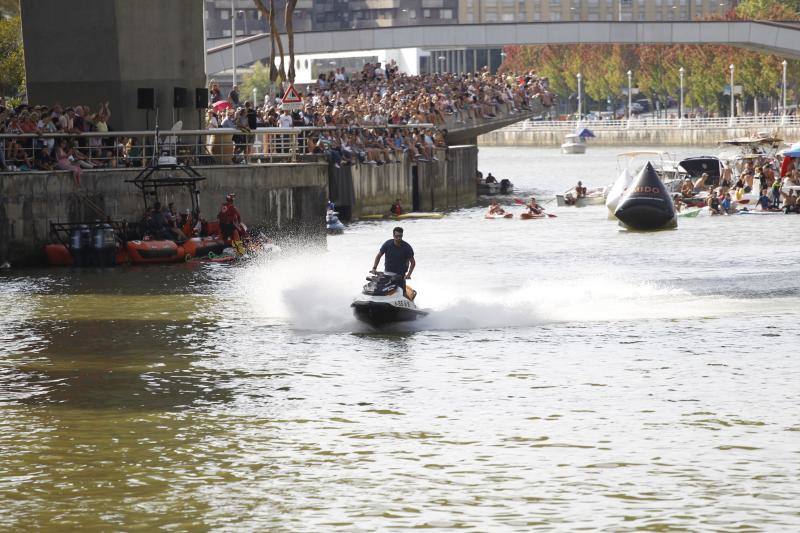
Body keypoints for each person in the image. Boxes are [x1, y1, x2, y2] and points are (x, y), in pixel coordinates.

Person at [371, 226, 415, 293]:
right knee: (378, 290)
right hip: (387, 273)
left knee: (402, 293)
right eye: (397, 236)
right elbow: (379, 256)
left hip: (400, 275)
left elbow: (413, 262)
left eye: (400, 236)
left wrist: (408, 274)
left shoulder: (407, 248)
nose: (399, 238)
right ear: (393, 235)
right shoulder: (387, 244)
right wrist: (374, 268)